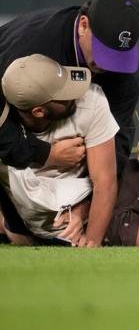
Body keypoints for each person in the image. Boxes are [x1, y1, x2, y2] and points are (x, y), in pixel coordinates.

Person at [0, 0, 139, 236]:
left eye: (117, 57)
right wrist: (45, 154)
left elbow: (117, 145)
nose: (109, 65)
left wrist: (86, 205)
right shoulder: (35, 52)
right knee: (19, 230)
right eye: (103, 53)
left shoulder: (124, 70)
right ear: (84, 25)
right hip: (7, 93)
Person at [2, 54, 119, 247]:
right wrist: (50, 155)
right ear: (38, 111)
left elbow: (105, 181)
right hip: (22, 205)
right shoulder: (6, 131)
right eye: (63, 94)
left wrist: (91, 241)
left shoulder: (91, 100)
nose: (75, 94)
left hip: (77, 195)